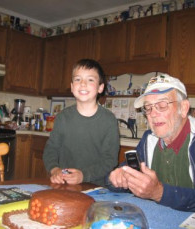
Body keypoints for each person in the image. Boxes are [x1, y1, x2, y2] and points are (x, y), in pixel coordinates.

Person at [105, 73, 195, 212]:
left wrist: (159, 192)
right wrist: (116, 178)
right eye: (148, 107)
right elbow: (118, 178)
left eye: (162, 105)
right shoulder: (148, 139)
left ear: (183, 108)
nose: (152, 114)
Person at [43, 59, 120, 186]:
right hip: (64, 184)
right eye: (78, 79)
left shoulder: (109, 120)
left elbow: (109, 160)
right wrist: (54, 170)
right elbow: (51, 149)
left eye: (90, 80)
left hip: (95, 187)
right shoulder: (62, 117)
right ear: (72, 87)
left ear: (100, 88)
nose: (83, 84)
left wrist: (84, 175)